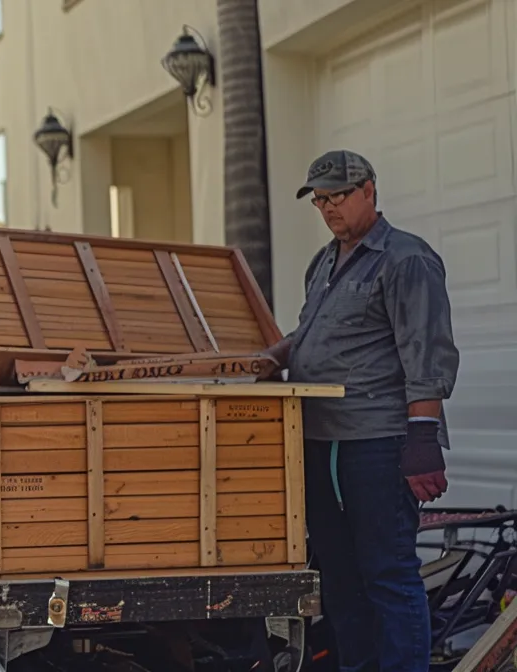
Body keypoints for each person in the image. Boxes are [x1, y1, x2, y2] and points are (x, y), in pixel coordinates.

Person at [260, 150, 458, 672]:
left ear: (369, 189)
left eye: (338, 196)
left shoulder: (405, 259)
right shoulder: (323, 262)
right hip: (321, 441)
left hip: (379, 442)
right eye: (319, 199)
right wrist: (269, 358)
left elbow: (428, 352)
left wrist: (422, 438)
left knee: (387, 574)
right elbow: (311, 333)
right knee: (341, 579)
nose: (328, 208)